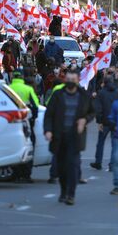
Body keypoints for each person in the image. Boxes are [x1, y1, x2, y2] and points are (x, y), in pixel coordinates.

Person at [44, 70, 94, 205]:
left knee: (72, 166)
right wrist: (48, 130)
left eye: (73, 79)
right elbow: (49, 114)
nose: (71, 81)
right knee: (62, 167)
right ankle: (63, 191)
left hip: (75, 137)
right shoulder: (58, 95)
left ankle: (71, 194)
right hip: (59, 136)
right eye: (68, 79)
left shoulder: (84, 95)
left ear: (78, 80)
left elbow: (92, 111)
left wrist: (85, 119)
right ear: (65, 80)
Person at [10, 68, 40, 183]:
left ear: (13, 77)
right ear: (22, 77)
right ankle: (26, 175)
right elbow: (36, 106)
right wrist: (33, 118)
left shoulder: (8, 88)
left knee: (14, 149)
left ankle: (16, 175)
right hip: (26, 123)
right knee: (29, 147)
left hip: (11, 123)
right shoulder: (28, 89)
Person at [90, 73, 118, 171]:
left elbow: (98, 108)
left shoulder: (101, 93)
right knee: (115, 143)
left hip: (105, 121)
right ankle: (112, 164)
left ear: (104, 82)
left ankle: (98, 162)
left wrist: (99, 121)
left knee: (100, 142)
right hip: (115, 121)